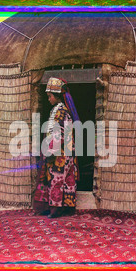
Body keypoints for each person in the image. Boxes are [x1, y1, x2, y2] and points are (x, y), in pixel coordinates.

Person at [33, 77, 80, 218]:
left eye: (50, 96)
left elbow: (58, 133)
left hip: (59, 153)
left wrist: (51, 151)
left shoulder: (60, 112)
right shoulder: (61, 110)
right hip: (66, 152)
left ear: (56, 96)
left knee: (56, 179)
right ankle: (63, 208)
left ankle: (55, 210)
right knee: (64, 179)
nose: (48, 99)